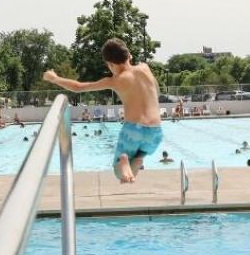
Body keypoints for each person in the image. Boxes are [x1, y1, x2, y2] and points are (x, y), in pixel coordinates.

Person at [44, 39, 162, 183]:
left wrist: (55, 79)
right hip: (156, 131)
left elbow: (79, 87)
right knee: (141, 155)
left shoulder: (115, 80)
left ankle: (123, 161)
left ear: (110, 64)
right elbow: (156, 90)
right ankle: (135, 163)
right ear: (129, 55)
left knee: (118, 172)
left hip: (133, 130)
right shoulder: (145, 67)